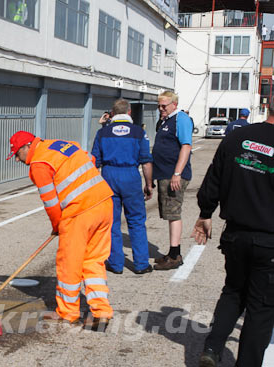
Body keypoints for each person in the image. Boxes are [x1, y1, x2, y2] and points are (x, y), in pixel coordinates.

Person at [8, 130, 114, 330]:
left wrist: (58, 226)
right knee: (93, 261)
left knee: (69, 264)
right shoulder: (62, 144)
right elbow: (90, 159)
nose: (18, 160)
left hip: (80, 211)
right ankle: (101, 312)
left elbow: (51, 203)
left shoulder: (38, 164)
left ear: (26, 147)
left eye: (16, 154)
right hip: (104, 202)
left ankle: (68, 313)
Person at [192, 108, 274, 367]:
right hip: (269, 242)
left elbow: (214, 177)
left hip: (236, 235)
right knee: (260, 309)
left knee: (233, 291)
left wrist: (206, 212)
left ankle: (213, 347)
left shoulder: (238, 137)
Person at [91, 99, 154, 275]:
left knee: (111, 222)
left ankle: (116, 263)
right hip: (131, 176)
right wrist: (149, 184)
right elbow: (146, 162)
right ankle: (141, 264)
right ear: (129, 113)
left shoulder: (102, 133)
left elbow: (94, 161)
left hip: (109, 176)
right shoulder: (138, 132)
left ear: (112, 114)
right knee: (136, 221)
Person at [152, 91, 193, 270]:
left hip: (173, 175)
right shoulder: (164, 120)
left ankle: (175, 255)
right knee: (168, 214)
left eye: (164, 106)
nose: (161, 109)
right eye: (159, 106)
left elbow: (186, 146)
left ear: (174, 104)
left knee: (173, 213)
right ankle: (171, 252)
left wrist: (177, 173)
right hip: (164, 174)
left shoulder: (181, 119)